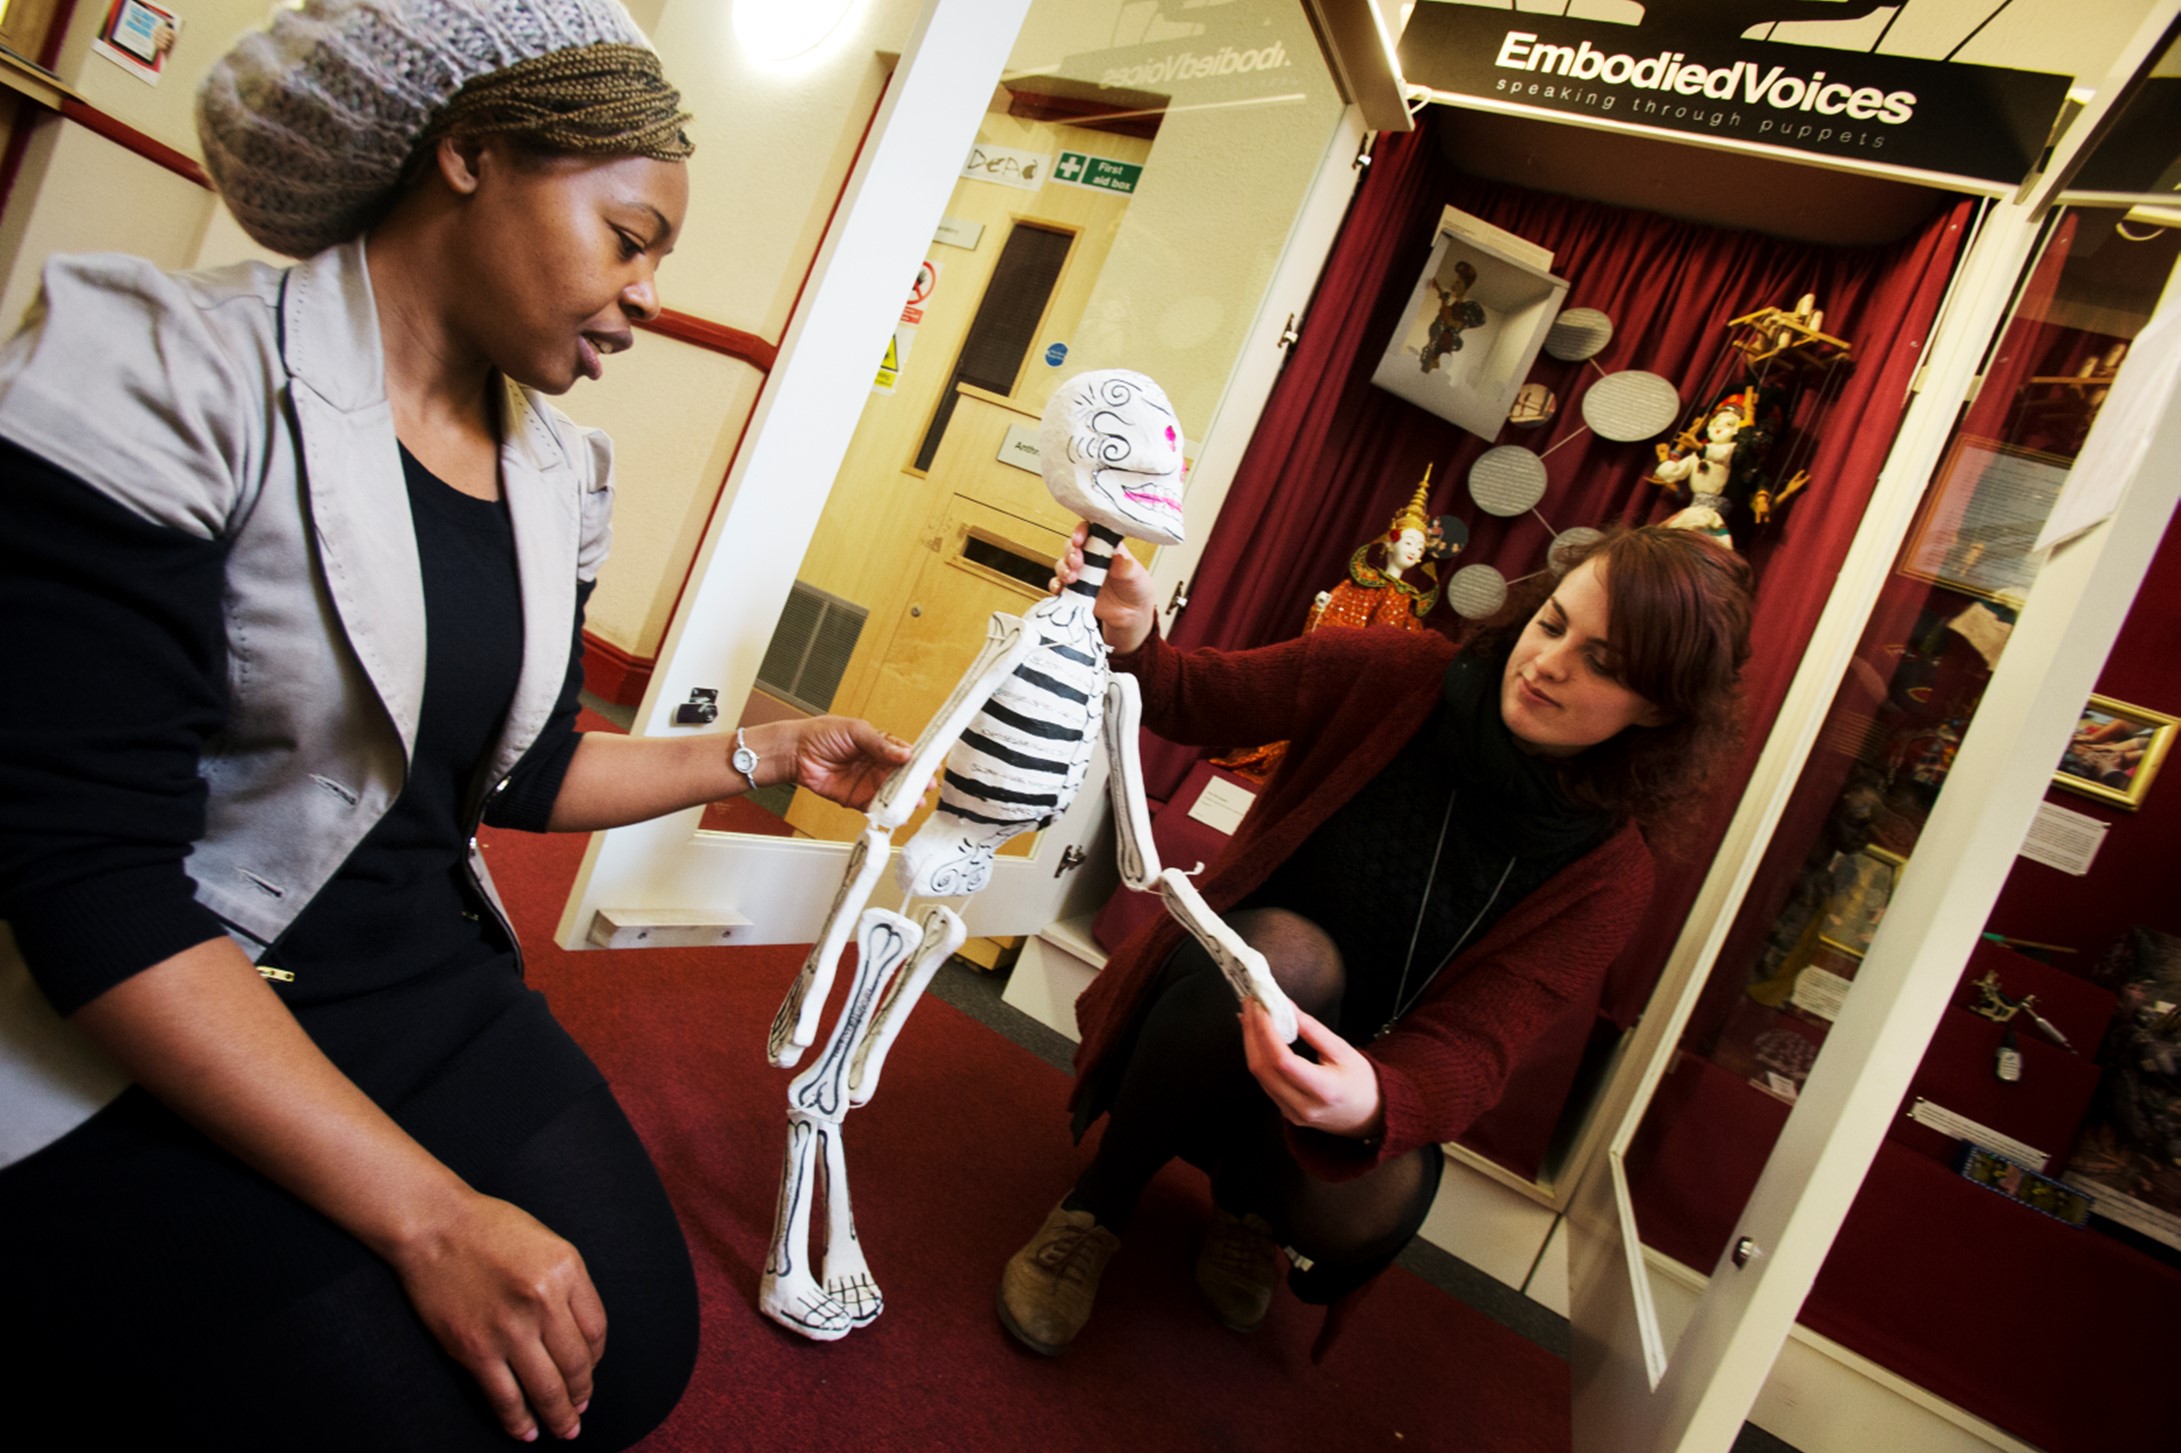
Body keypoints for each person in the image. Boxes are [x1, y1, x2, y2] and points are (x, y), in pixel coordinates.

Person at [0, 3, 912, 1448]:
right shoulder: (163, 367)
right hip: (167, 994)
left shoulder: (557, 474)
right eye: (631, 236)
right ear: (471, 152)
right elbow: (85, 885)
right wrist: (427, 1214)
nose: (653, 295)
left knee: (636, 1349)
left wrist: (763, 753)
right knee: (413, 1406)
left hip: (419, 979)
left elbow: (526, 769)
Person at [998, 523, 1752, 1357]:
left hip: (1366, 1058)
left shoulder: (1611, 874)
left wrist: (1378, 1101)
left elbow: (1479, 1044)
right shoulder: (1402, 674)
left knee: (1370, 1204)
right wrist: (1135, 632)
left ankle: (1249, 1203)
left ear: (1658, 710)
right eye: (1551, 623)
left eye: (1602, 663)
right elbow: (1192, 694)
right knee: (1288, 960)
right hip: (1222, 1001)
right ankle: (1099, 1202)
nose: (1547, 662)